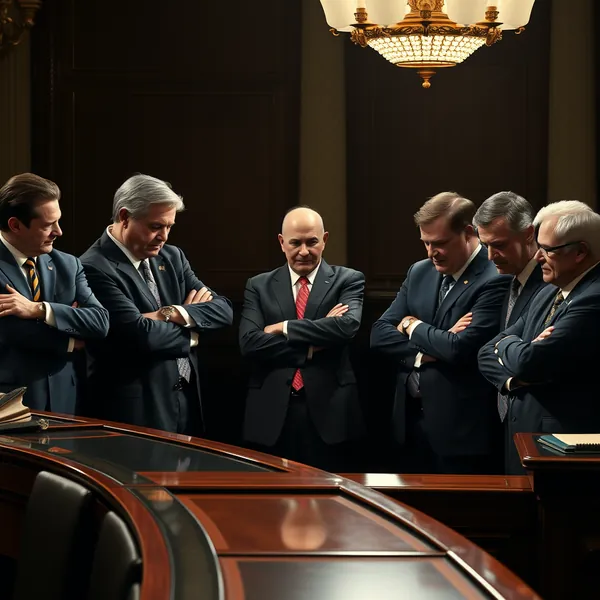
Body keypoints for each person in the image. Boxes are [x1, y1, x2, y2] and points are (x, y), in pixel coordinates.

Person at [80, 174, 233, 435]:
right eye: (155, 226)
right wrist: (193, 333)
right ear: (125, 217)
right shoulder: (93, 266)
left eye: (169, 227)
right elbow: (141, 335)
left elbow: (224, 310)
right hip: (135, 413)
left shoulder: (172, 256)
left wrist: (172, 313)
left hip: (187, 401)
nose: (163, 236)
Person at [371, 192, 509, 474]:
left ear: (469, 233)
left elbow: (459, 349)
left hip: (461, 433)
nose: (431, 252)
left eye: (440, 243)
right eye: (426, 242)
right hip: (408, 427)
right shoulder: (420, 271)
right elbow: (379, 334)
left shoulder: (494, 277)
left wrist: (412, 325)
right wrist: (428, 350)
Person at [239, 206, 365, 471]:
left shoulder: (348, 280)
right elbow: (249, 342)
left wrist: (282, 327)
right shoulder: (258, 285)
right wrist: (311, 346)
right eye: (295, 243)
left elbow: (346, 327)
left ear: (325, 240)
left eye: (312, 242)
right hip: (271, 412)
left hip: (331, 411)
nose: (304, 251)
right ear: (282, 243)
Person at [478, 201, 600, 474]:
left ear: (581, 251)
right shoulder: (549, 290)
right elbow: (486, 350)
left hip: (563, 456)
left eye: (547, 250)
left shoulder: (593, 298)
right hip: (526, 443)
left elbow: (530, 363)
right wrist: (516, 362)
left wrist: (511, 346)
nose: (537, 258)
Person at [0, 173, 109, 413]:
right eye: (49, 225)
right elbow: (12, 333)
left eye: (58, 221)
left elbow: (100, 322)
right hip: (9, 403)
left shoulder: (68, 265)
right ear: (15, 225)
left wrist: (39, 309)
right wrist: (73, 340)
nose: (58, 231)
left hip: (64, 400)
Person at [473, 191, 547, 466]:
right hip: (506, 421)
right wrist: (511, 381)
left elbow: (530, 360)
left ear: (529, 234)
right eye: (485, 246)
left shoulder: (550, 284)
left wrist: (503, 350)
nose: (491, 256)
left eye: (499, 245)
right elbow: (485, 353)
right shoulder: (508, 281)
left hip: (539, 426)